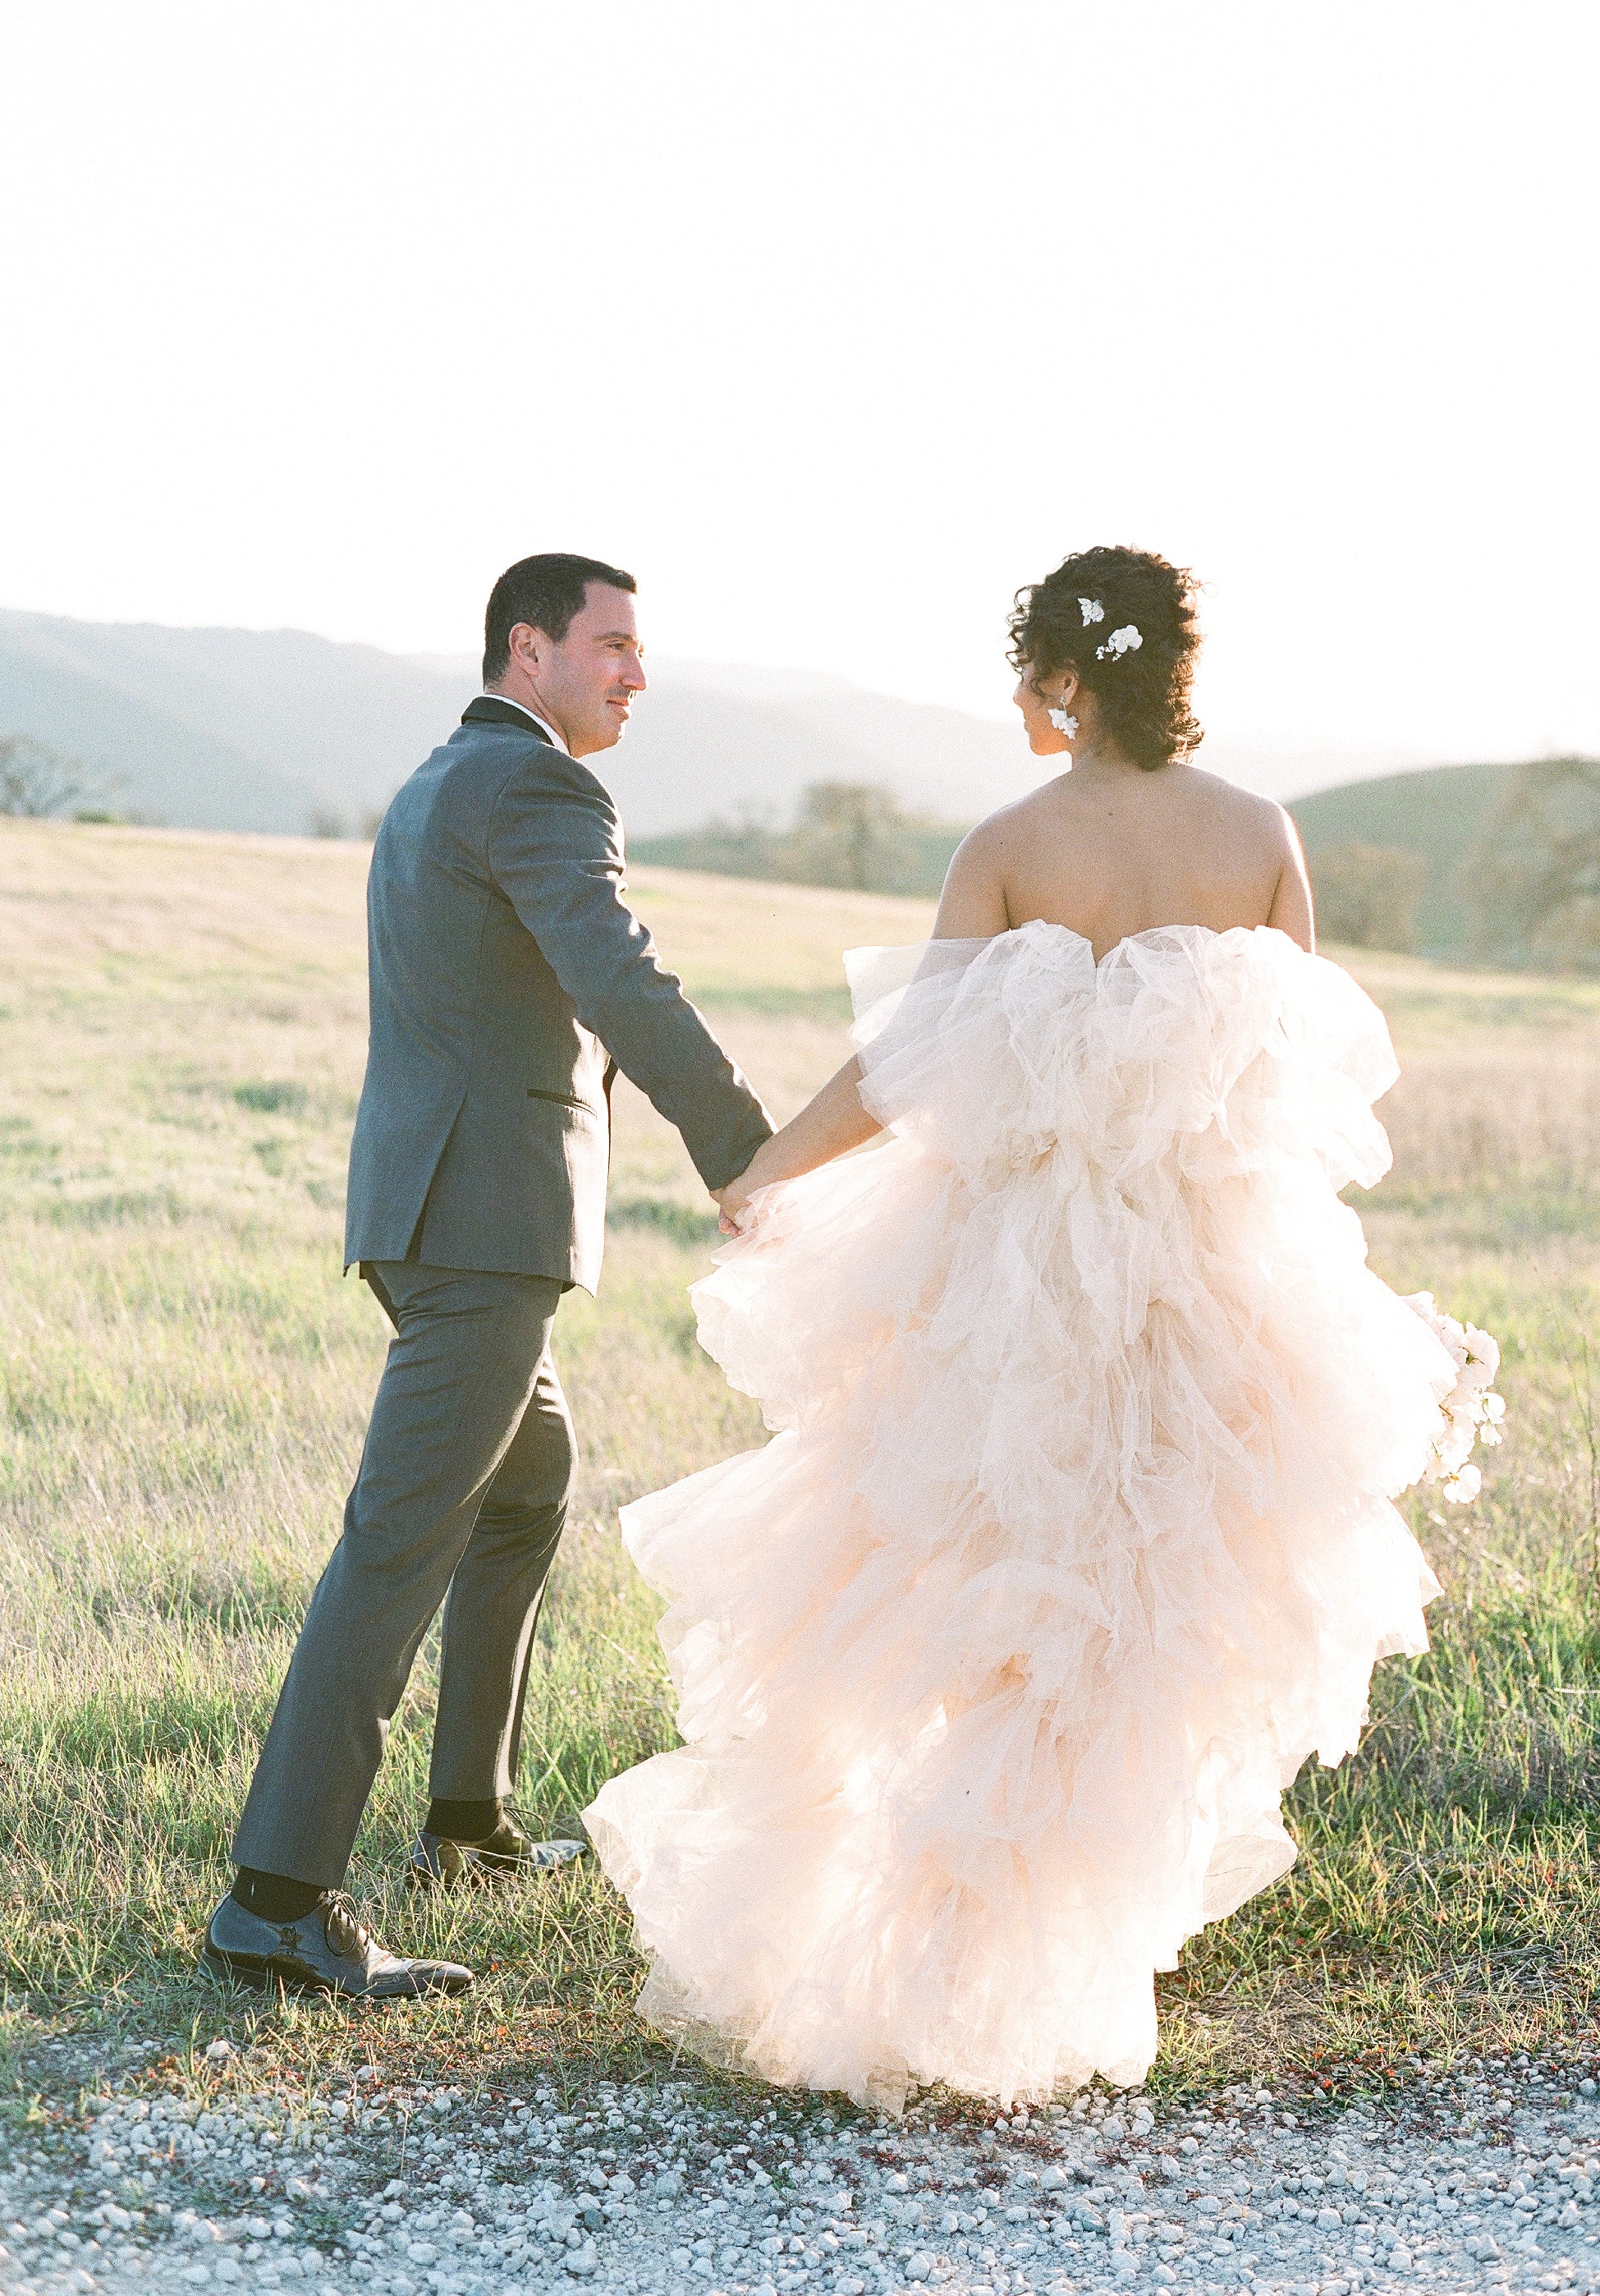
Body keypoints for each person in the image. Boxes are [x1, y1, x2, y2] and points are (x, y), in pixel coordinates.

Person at [586, 544, 1493, 2107]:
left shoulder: (1012, 842)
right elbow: (1297, 1080)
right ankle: (1064, 1969)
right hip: (1209, 1282)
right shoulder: (1260, 832)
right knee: (1141, 1632)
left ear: (1069, 680)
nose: (1017, 697)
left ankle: (963, 1977)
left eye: (1026, 669)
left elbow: (903, 1071)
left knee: (987, 1615)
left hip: (1019, 1283)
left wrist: (763, 1169)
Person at [204, 553, 773, 2000]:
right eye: (613, 646)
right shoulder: (538, 789)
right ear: (530, 650)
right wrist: (746, 1154)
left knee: (529, 1485)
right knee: (400, 1540)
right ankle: (276, 1900)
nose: (636, 674)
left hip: (429, 1208)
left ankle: (468, 1820)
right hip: (481, 1226)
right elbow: (620, 976)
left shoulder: (438, 778)